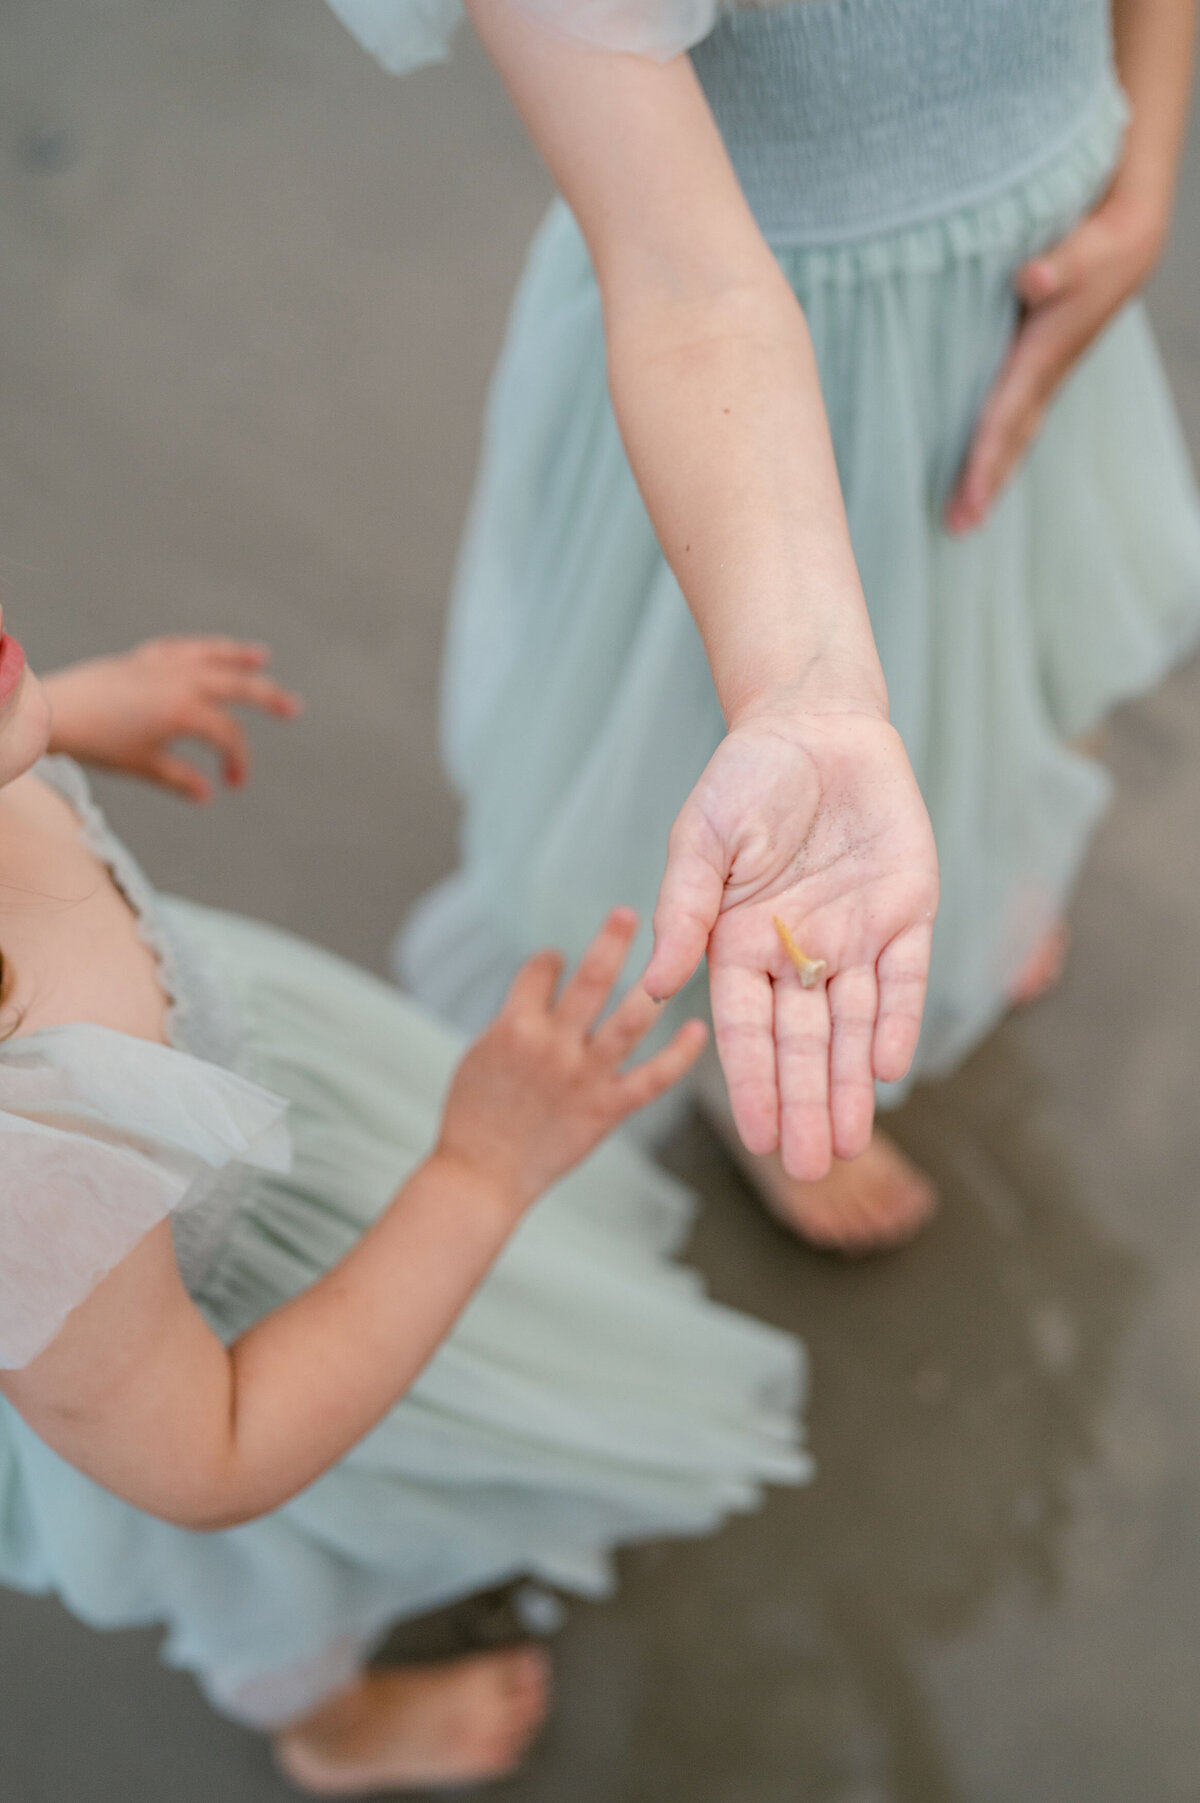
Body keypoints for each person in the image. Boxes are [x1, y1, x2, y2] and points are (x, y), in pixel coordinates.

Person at [327, 0, 1200, 1250]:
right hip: (758, 410)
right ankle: (751, 1083)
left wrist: (1147, 178)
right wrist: (808, 691)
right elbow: (691, 290)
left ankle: (985, 850)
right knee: (721, 765)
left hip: (1047, 277)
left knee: (1010, 646)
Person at [0, 613, 806, 1794]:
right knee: (279, 1587)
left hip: (261, 1122)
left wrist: (58, 711)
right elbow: (208, 1458)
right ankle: (328, 1721)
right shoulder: (30, 1149)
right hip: (207, 1346)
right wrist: (476, 1176)